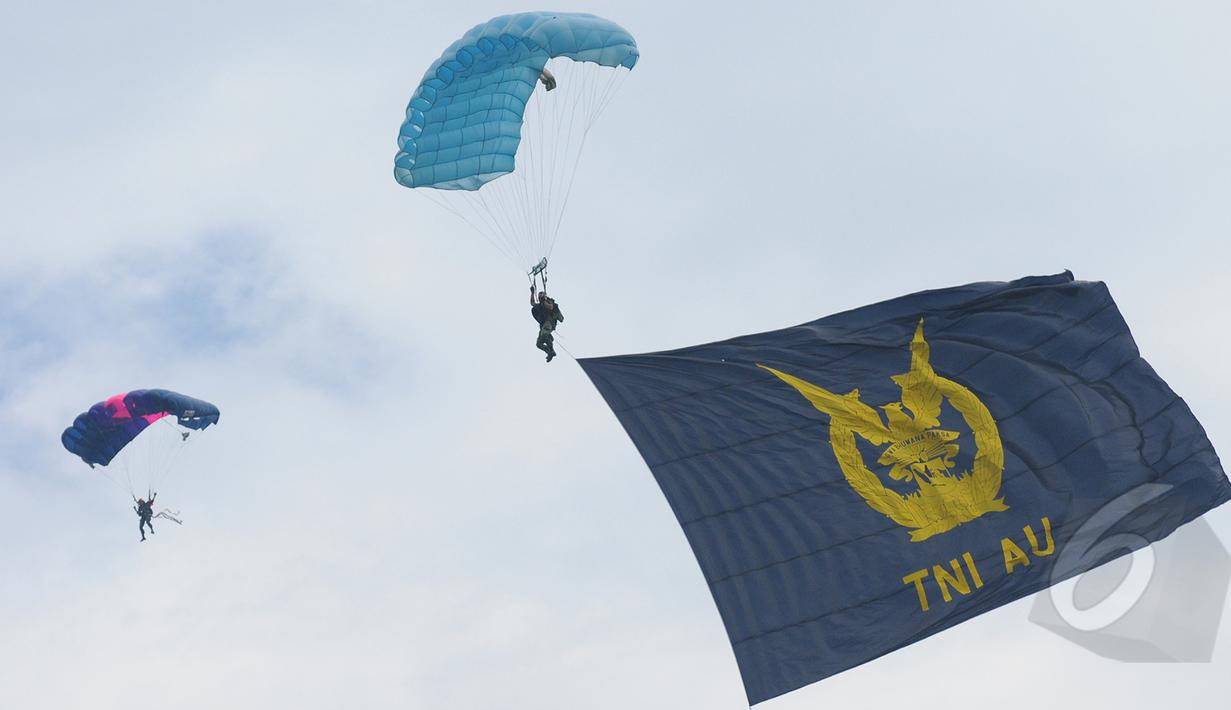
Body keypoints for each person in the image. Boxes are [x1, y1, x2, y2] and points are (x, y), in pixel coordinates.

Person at [530, 286, 564, 362]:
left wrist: (544, 300)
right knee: (538, 344)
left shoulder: (548, 301)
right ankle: (550, 352)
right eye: (539, 294)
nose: (539, 295)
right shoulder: (540, 305)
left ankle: (550, 348)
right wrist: (532, 293)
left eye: (541, 294)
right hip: (543, 326)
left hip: (549, 323)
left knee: (544, 335)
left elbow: (550, 307)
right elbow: (532, 303)